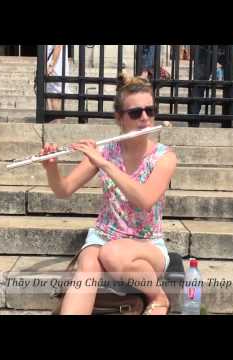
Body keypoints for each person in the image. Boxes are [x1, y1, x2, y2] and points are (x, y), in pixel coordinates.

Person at [40, 74, 177, 315]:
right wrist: (52, 167)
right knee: (89, 262)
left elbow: (144, 200)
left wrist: (104, 164)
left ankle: (159, 297)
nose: (145, 118)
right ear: (120, 118)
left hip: (145, 244)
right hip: (104, 234)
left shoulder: (165, 157)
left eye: (149, 110)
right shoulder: (105, 151)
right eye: (135, 113)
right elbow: (63, 190)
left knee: (112, 253)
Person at [46, 45, 69, 122]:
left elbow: (58, 46)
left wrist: (51, 65)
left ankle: (56, 125)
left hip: (55, 69)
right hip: (57, 68)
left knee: (54, 98)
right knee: (54, 98)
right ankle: (57, 124)